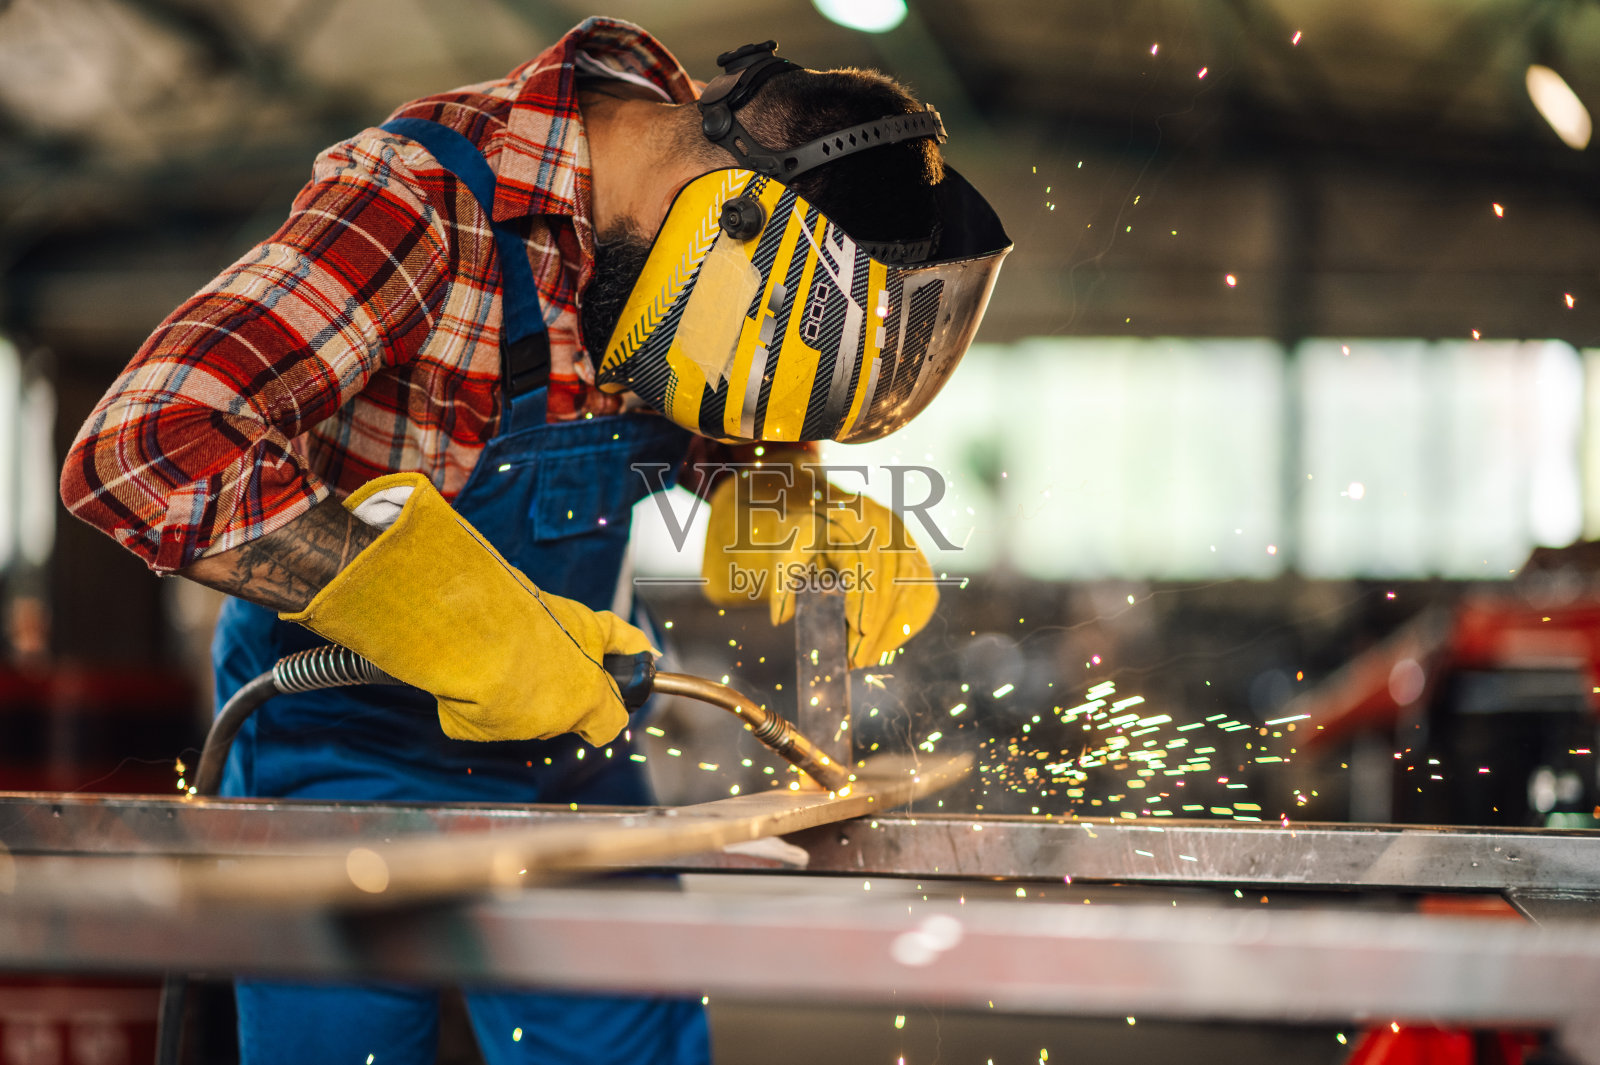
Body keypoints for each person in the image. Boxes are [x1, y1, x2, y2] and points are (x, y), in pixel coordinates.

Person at [60, 16, 1008, 1065]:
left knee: (628, 1042)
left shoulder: (672, 250)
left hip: (573, 737)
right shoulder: (417, 204)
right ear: (725, 232)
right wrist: (445, 618)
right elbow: (144, 452)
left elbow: (694, 402)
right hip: (340, 748)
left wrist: (771, 484)